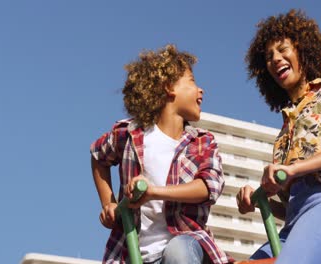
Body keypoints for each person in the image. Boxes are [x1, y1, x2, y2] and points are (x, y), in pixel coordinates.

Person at [236, 9, 321, 264]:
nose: (276, 59)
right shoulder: (283, 134)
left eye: (283, 49)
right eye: (268, 57)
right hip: (294, 224)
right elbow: (289, 209)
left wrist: (296, 169)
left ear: (302, 50)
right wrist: (258, 200)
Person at [90, 44, 233, 264]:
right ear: (169, 87)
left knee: (179, 251)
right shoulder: (130, 134)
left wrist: (154, 192)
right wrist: (108, 203)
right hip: (132, 253)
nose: (201, 90)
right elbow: (98, 156)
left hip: (184, 246)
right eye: (192, 81)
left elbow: (208, 186)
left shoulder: (202, 143)